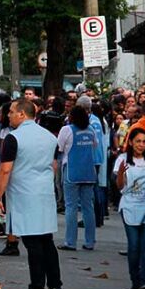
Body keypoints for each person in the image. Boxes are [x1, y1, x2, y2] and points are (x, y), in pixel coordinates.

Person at [0, 98, 61, 289]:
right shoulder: (49, 137)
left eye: (12, 112)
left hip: (24, 193)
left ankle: (37, 288)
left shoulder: (14, 138)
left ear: (22, 114)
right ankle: (55, 286)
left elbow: (5, 169)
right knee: (46, 240)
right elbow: (54, 166)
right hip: (44, 192)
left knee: (33, 242)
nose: (9, 115)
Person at [114, 128, 145, 289]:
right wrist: (120, 174)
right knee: (134, 246)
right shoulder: (122, 159)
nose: (141, 145)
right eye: (138, 141)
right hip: (130, 206)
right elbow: (119, 186)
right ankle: (135, 281)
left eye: (144, 141)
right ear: (131, 142)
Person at [57, 106, 100, 251]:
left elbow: (60, 148)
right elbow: (95, 145)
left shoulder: (67, 130)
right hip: (88, 172)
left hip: (71, 171)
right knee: (88, 207)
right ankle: (90, 241)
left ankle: (70, 241)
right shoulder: (91, 130)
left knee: (71, 207)